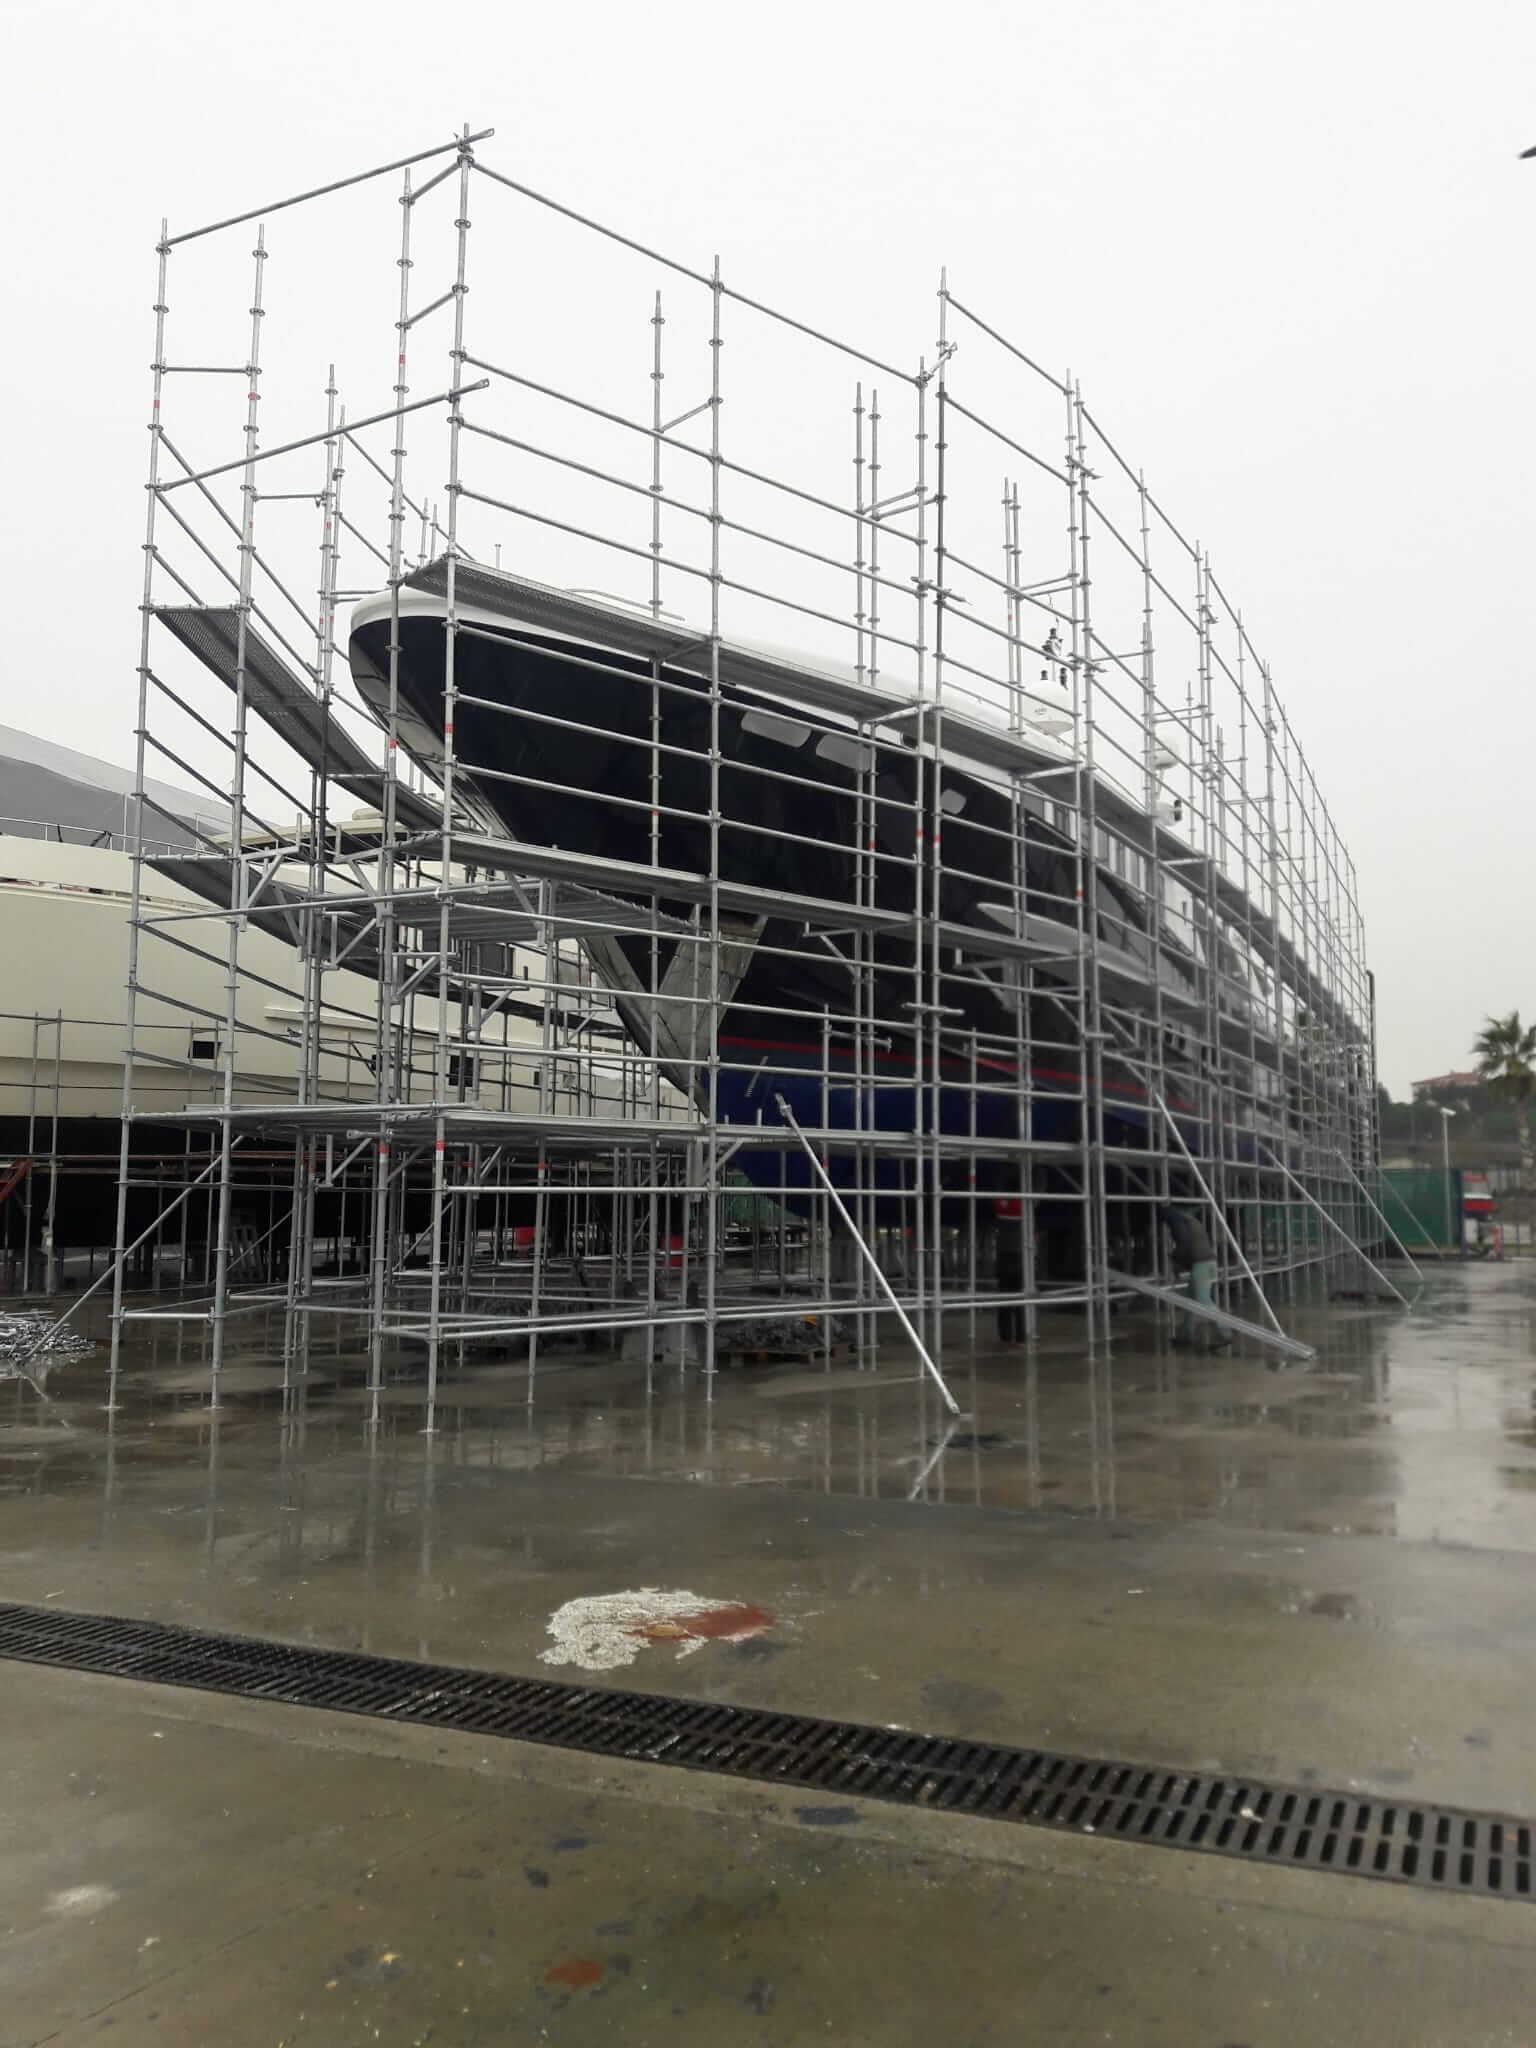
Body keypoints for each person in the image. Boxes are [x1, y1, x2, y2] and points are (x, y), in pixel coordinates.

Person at [1158, 1203, 1229, 1352]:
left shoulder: (1176, 1220)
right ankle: (1186, 1335)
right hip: (1207, 1262)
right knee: (1190, 1300)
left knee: (1203, 1299)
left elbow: (1183, 1243)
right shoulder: (1190, 1220)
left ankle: (1225, 1332)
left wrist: (1175, 1258)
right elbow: (1191, 1244)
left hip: (1201, 1264)